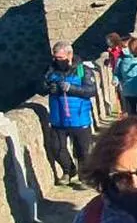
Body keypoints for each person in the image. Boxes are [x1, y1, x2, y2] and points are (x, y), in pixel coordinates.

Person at [42, 41, 98, 189]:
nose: (57, 60)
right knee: (57, 149)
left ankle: (84, 177)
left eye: (60, 57)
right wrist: (49, 88)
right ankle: (68, 170)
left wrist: (71, 88)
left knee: (83, 151)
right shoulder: (50, 70)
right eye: (55, 57)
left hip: (79, 118)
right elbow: (39, 86)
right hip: (58, 118)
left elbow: (91, 90)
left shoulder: (82, 70)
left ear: (69, 55)